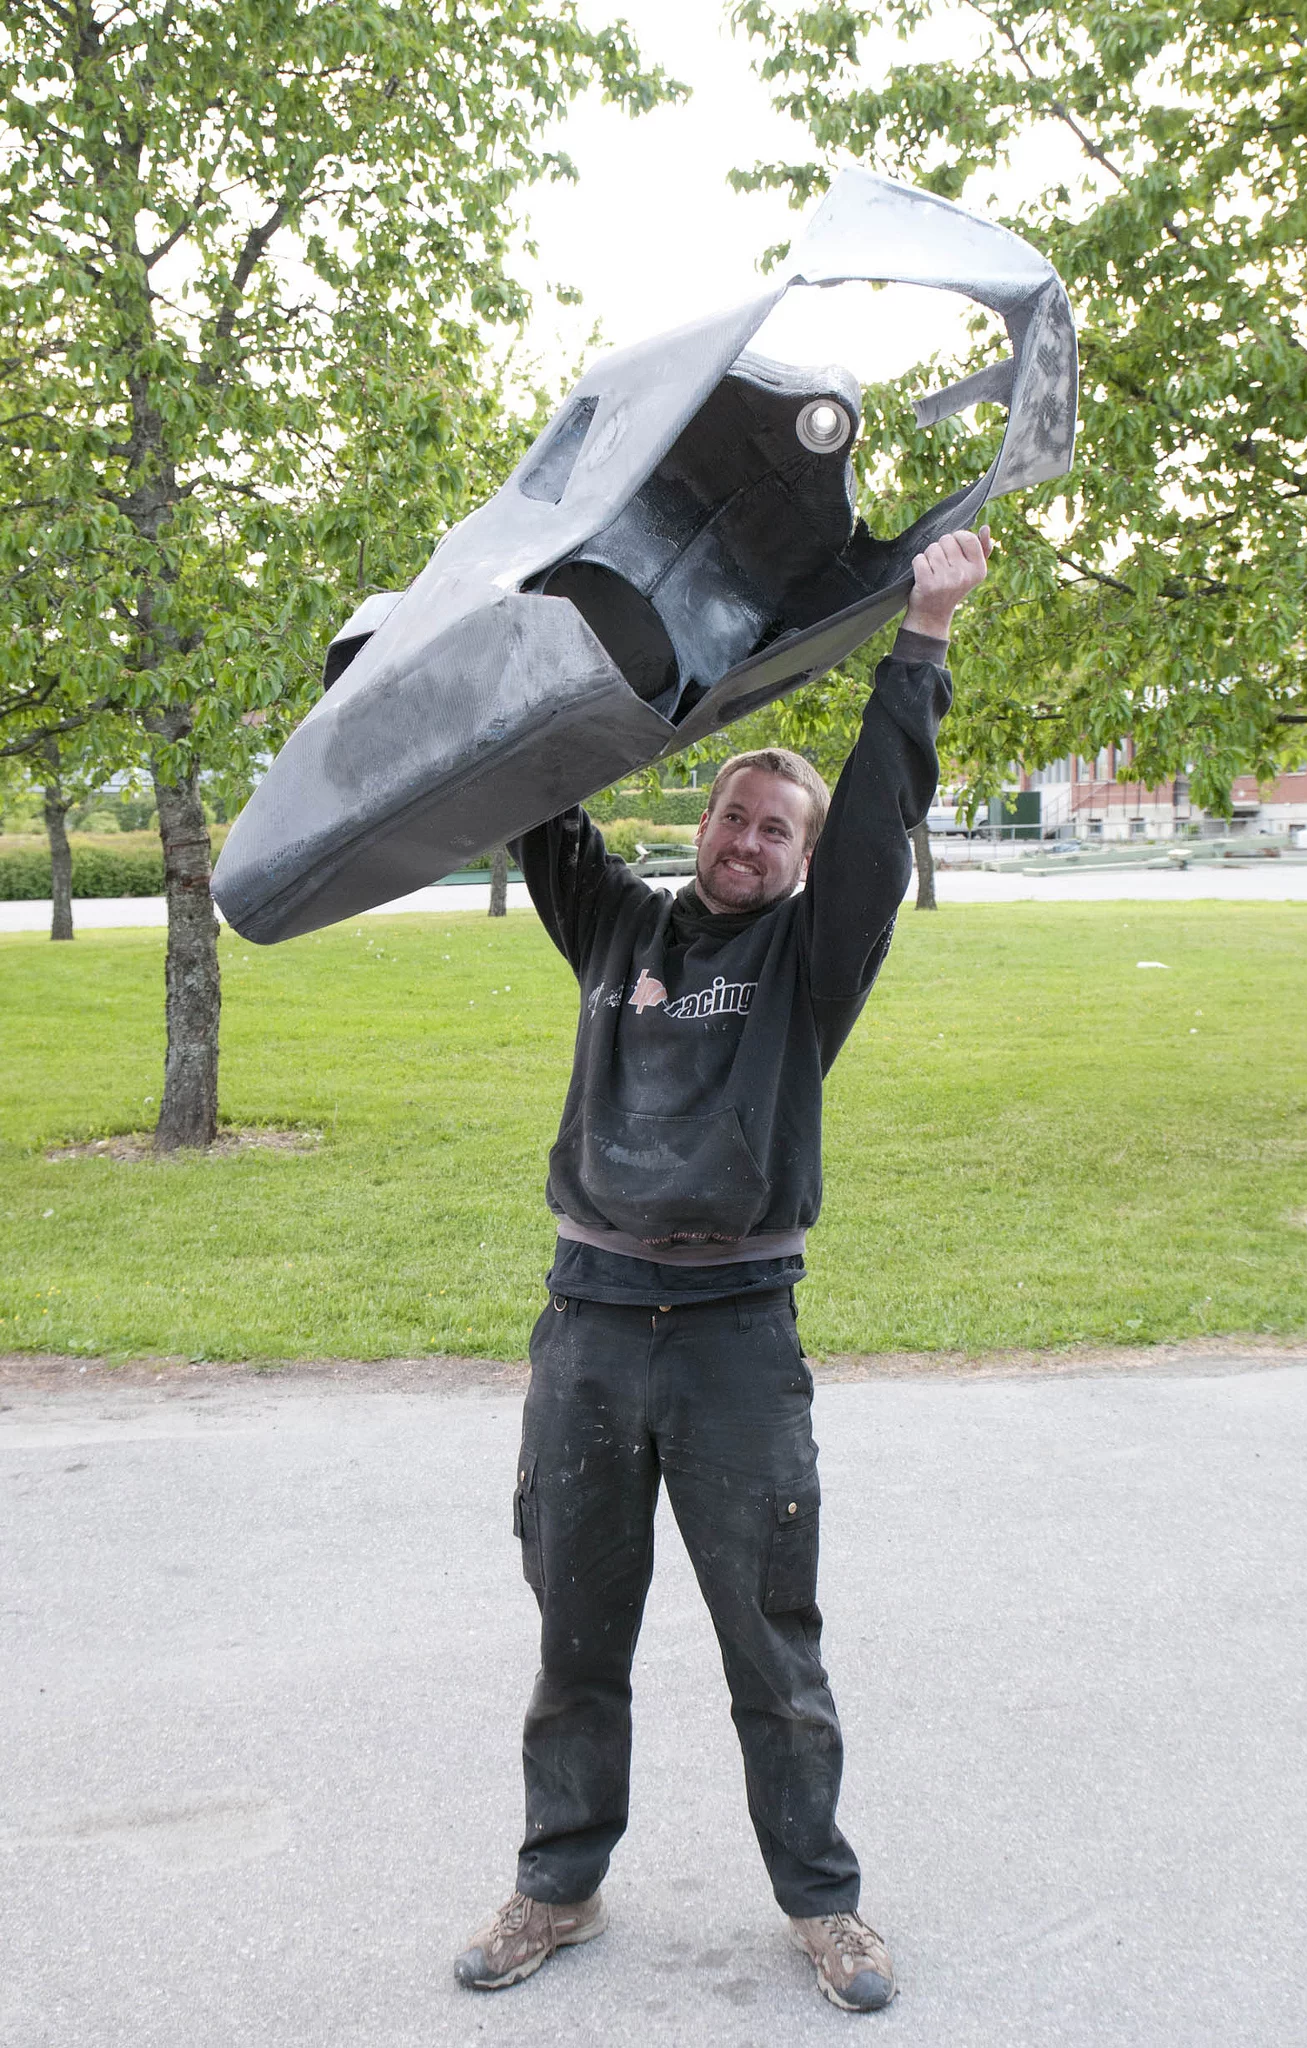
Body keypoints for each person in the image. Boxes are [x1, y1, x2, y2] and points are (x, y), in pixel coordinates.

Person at [454, 527, 993, 2012]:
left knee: (774, 1641)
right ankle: (555, 1889)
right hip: (591, 1328)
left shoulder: (812, 963)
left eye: (776, 833)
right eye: (733, 815)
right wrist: (519, 638)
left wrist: (924, 640)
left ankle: (824, 1905)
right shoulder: (619, 927)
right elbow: (537, 799)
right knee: (576, 1635)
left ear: (804, 865)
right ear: (702, 817)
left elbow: (884, 815)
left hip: (738, 1338)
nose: (744, 842)